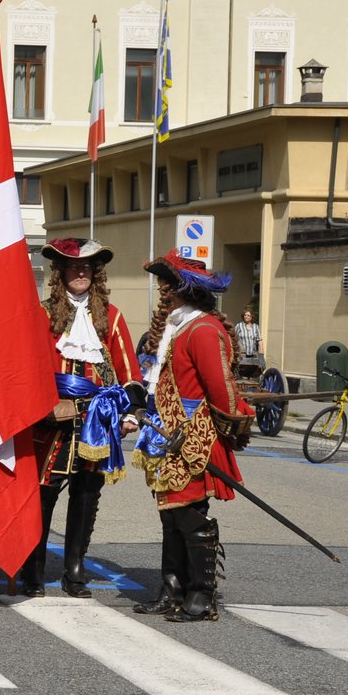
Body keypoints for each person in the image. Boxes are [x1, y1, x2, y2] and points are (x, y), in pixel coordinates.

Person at [131, 250, 254, 623]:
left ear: (183, 291)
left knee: (188, 514)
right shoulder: (181, 326)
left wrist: (239, 419)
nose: (162, 293)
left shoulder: (202, 330)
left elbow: (221, 388)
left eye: (167, 287)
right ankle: (173, 590)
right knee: (171, 514)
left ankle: (201, 597)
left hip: (192, 434)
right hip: (167, 430)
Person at [19, 239, 144, 597]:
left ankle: (74, 569)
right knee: (43, 494)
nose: (80, 273)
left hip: (98, 421)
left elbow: (127, 369)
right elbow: (29, 368)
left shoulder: (112, 316)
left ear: (95, 274)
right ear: (60, 274)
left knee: (87, 494)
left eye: (86, 268)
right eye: (73, 268)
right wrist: (42, 407)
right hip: (51, 421)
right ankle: (34, 567)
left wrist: (131, 412)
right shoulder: (41, 314)